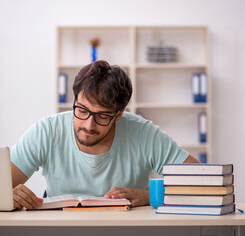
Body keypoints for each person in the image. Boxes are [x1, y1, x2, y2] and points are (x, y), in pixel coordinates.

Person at [11, 60, 199, 209]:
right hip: (62, 231)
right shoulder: (47, 131)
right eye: (82, 110)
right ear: (74, 101)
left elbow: (199, 180)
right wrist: (7, 196)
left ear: (119, 115)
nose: (88, 125)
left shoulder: (143, 133)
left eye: (102, 115)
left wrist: (147, 196)